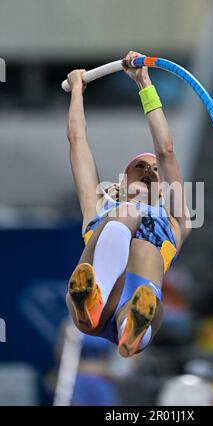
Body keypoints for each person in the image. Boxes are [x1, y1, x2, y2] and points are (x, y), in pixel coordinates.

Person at [65, 51, 191, 358]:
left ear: (163, 191)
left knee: (145, 303)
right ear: (119, 184)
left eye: (154, 171)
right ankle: (93, 299)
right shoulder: (98, 209)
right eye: (140, 167)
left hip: (136, 308)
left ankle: (131, 330)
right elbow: (77, 141)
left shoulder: (176, 221)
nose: (149, 171)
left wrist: (144, 82)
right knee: (128, 212)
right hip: (96, 299)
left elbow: (166, 150)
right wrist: (78, 91)